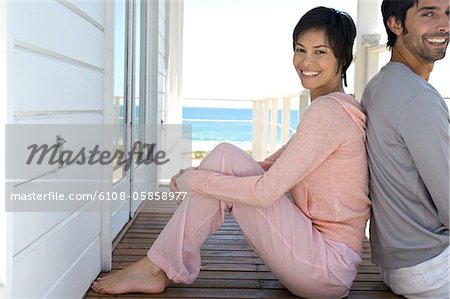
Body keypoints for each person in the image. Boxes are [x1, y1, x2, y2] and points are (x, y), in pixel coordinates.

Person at [92, 6, 370, 298]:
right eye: (300, 49)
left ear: (343, 57)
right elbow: (270, 166)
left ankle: (154, 267)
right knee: (225, 158)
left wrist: (194, 182)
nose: (306, 61)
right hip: (317, 261)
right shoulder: (336, 108)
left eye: (320, 52)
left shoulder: (327, 113)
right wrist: (199, 174)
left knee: (225, 159)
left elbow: (264, 192)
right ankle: (155, 266)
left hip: (324, 268)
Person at [361, 0, 449, 298]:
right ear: (395, 24)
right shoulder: (418, 98)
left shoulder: (379, 85)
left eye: (448, 13)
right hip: (433, 265)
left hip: (397, 262)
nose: (444, 24)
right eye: (428, 13)